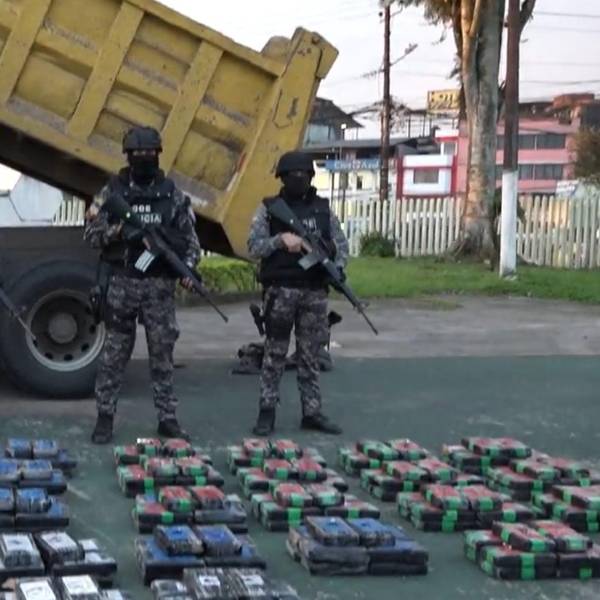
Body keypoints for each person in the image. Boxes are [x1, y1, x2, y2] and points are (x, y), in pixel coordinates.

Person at [84, 126, 201, 444]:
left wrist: (188, 270)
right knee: (114, 356)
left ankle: (167, 418)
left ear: (159, 154)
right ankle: (105, 418)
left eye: (150, 152)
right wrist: (121, 232)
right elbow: (91, 235)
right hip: (123, 283)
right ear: (128, 156)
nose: (144, 157)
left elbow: (190, 242)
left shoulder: (173, 195)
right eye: (138, 153)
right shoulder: (111, 192)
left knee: (162, 355)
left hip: (159, 287)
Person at [247, 150, 349, 436]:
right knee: (274, 353)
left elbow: (341, 246)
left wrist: (337, 268)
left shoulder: (322, 209)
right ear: (282, 178)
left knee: (310, 355)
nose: (299, 178)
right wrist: (280, 240)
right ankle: (267, 411)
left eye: (303, 174)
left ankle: (312, 412)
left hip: (314, 292)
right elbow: (254, 246)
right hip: (280, 290)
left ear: (311, 176)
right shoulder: (270, 209)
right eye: (293, 175)